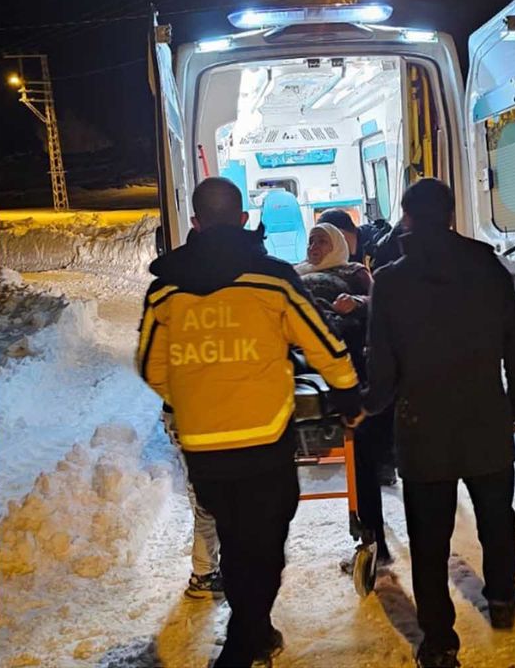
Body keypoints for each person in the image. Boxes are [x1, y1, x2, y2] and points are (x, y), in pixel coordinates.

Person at [137, 177, 363, 667]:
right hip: (264, 440)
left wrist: (192, 399)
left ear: (195, 223)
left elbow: (150, 366)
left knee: (236, 539)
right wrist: (348, 394)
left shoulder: (164, 291)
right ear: (242, 220)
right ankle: (245, 641)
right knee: (262, 545)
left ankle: (254, 633)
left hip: (203, 448)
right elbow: (323, 344)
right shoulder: (274, 280)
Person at [365, 178, 515, 668]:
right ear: (452, 215)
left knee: (430, 539)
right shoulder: (486, 264)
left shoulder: (391, 281)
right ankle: (501, 598)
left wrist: (367, 406)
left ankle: (439, 641)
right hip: (485, 417)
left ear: (409, 218)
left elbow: (383, 369)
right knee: (497, 519)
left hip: (422, 429)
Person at [294, 224, 392, 570]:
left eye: (322, 241)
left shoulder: (354, 273)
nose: (314, 246)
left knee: (360, 455)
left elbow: (379, 304)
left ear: (336, 244)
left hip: (347, 367)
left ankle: (373, 537)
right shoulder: (293, 276)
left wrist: (356, 304)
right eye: (310, 240)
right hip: (304, 366)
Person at [163, 404, 225, 599]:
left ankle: (207, 568)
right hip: (196, 417)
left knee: (202, 493)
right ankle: (204, 575)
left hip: (185, 415)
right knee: (208, 503)